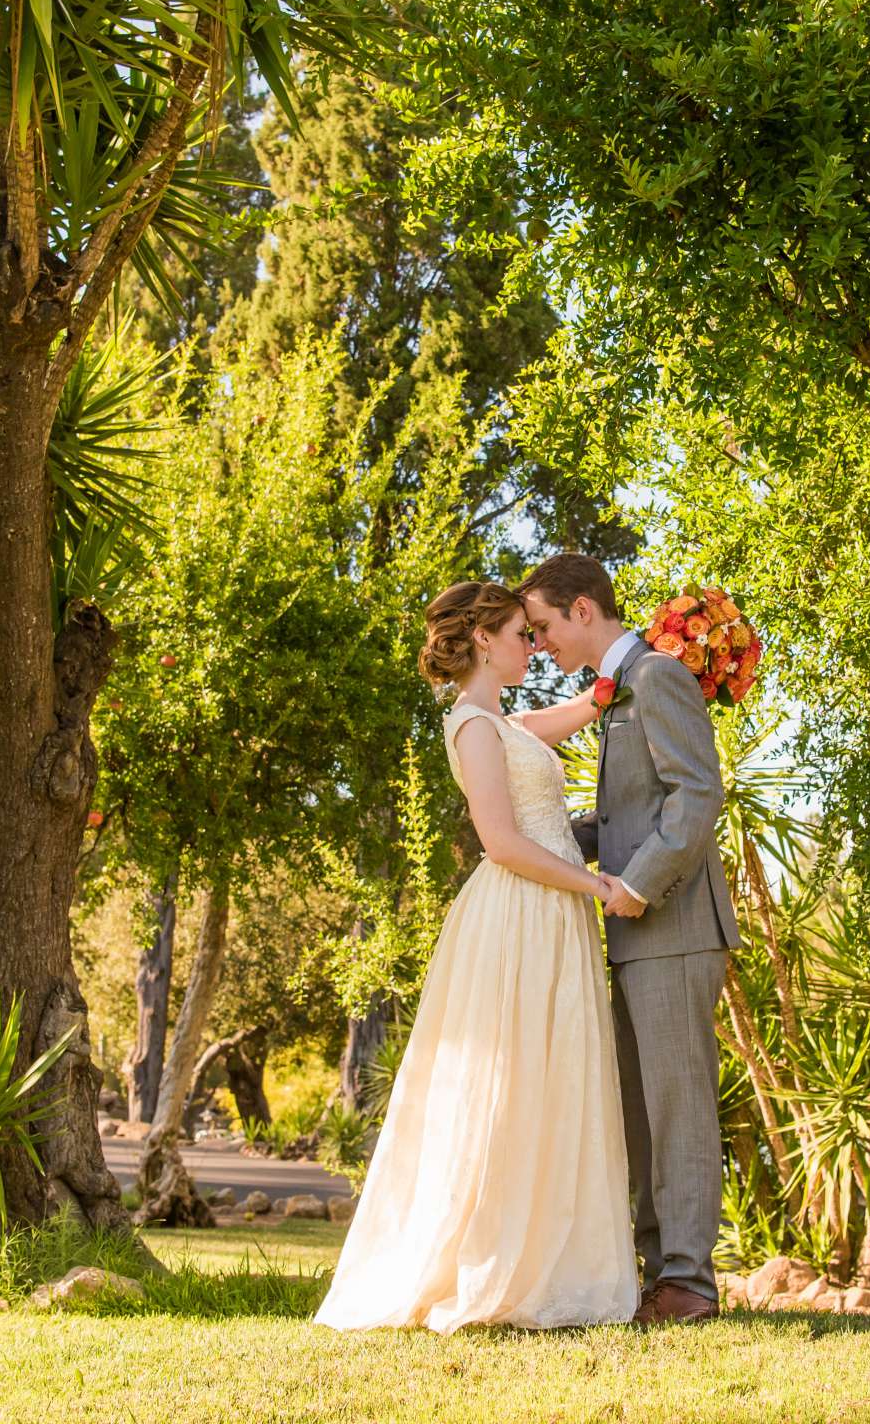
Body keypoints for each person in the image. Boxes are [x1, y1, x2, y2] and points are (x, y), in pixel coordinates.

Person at [313, 581, 641, 1332]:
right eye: (524, 634)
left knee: (550, 1082)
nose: (534, 645)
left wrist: (663, 649)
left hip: (550, 912)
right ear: (485, 641)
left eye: (536, 632)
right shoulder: (471, 726)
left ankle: (553, 1258)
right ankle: (491, 1262)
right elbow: (502, 842)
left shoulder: (509, 722)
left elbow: (590, 703)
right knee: (512, 1081)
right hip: (520, 912)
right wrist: (594, 885)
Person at [522, 553, 740, 1327]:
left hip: (674, 925)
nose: (539, 643)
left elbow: (697, 792)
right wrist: (544, 838)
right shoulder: (622, 693)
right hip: (633, 933)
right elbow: (625, 817)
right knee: (643, 1108)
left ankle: (687, 1281)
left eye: (543, 626)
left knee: (677, 1105)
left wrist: (640, 883)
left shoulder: (656, 678)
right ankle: (660, 1275)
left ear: (584, 612)